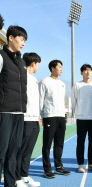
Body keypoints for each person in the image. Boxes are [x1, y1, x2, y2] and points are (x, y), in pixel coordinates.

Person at [0, 25, 28, 187]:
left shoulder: (21, 62)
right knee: (1, 151)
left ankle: (10, 184)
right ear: (10, 38)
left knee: (13, 152)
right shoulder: (1, 56)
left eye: (25, 40)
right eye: (21, 39)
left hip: (19, 112)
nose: (23, 42)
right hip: (4, 112)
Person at [39, 60, 71, 178]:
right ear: (52, 68)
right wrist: (40, 116)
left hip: (61, 116)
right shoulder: (44, 82)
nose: (61, 69)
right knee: (47, 144)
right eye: (59, 67)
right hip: (49, 116)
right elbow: (40, 100)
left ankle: (58, 167)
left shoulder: (62, 84)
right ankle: (47, 169)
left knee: (59, 143)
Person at [15, 53, 41, 187]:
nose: (38, 67)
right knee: (21, 149)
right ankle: (17, 178)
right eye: (38, 64)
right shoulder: (21, 76)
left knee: (29, 150)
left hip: (34, 119)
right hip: (25, 119)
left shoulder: (34, 79)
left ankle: (25, 175)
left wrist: (38, 116)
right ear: (33, 63)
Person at [71, 64, 92, 173]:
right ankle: (80, 165)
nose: (88, 73)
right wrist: (75, 114)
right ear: (81, 73)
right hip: (81, 118)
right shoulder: (77, 85)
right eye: (85, 71)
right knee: (81, 142)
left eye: (90, 71)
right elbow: (73, 101)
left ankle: (91, 164)